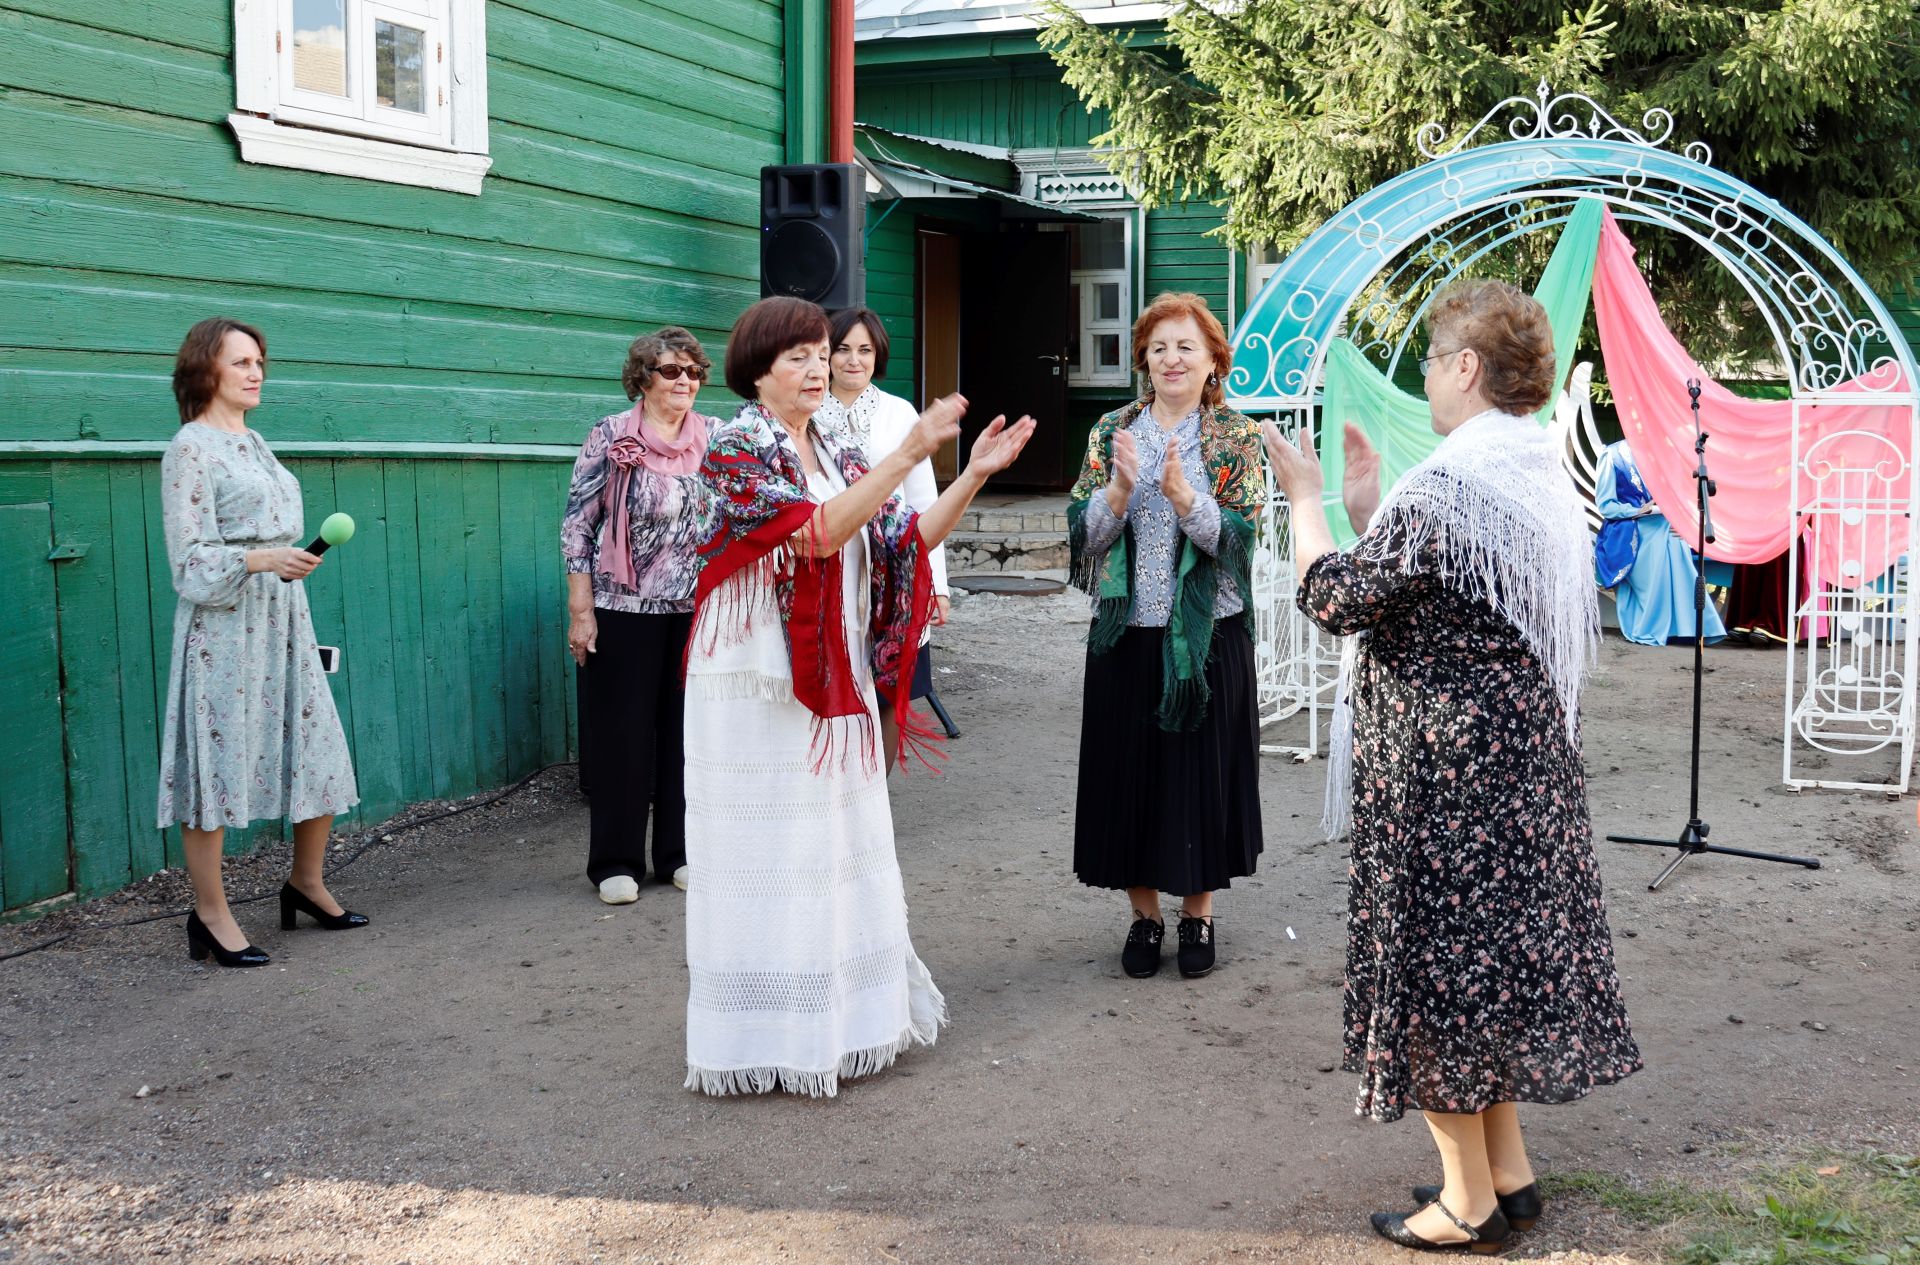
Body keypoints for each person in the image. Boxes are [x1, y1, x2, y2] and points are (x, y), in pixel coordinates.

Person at [1263, 279, 1642, 1253]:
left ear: (1465, 366)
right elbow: (1434, 592)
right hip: (1515, 762)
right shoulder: (1527, 466)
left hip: (1447, 768)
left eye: (1432, 359)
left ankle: (1465, 1199)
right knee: (1483, 973)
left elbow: (1341, 598)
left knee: (1436, 976)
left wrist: (1308, 503)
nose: (1427, 377)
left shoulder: (1452, 480)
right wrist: (1365, 507)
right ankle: (1507, 1171)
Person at [682, 296, 1034, 1096]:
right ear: (757, 370)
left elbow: (900, 541)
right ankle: (762, 1034)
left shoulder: (834, 448)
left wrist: (972, 473)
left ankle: (837, 1021)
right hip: (754, 674)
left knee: (833, 847)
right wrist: (909, 450)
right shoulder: (735, 443)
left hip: (826, 661)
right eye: (797, 356)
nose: (816, 368)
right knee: (766, 852)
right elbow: (813, 534)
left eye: (820, 353)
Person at [1066, 292, 1266, 981]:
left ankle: (1198, 913)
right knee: (1131, 779)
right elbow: (1086, 540)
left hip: (1207, 638)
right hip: (1127, 636)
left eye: (1186, 346)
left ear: (1213, 360)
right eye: (1158, 348)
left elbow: (1238, 546)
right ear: (1143, 362)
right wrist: (1118, 492)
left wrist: (1185, 497)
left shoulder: (1235, 436)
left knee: (1199, 782)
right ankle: (1146, 916)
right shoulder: (1110, 430)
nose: (1171, 359)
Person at [158, 317, 365, 968]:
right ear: (205, 370)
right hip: (224, 630)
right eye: (241, 361)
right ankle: (210, 914)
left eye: (261, 362)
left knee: (317, 747)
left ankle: (306, 883)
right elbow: (188, 562)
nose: (256, 372)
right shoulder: (190, 447)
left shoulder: (255, 442)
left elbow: (273, 532)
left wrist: (292, 558)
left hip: (283, 617)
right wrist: (260, 559)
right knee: (215, 766)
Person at [561, 327, 720, 904]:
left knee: (688, 735)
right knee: (623, 737)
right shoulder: (609, 435)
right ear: (643, 378)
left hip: (697, 609)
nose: (685, 381)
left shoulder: (717, 438)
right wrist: (581, 609)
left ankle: (679, 854)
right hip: (622, 606)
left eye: (693, 372)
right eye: (672, 370)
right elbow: (578, 525)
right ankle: (615, 862)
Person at [817, 307, 951, 768]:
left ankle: (878, 796)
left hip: (896, 568)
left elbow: (924, 503)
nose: (853, 361)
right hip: (833, 566)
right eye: (842, 349)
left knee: (894, 688)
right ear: (825, 355)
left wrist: (936, 584)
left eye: (865, 350)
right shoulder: (807, 411)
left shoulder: (900, 413)